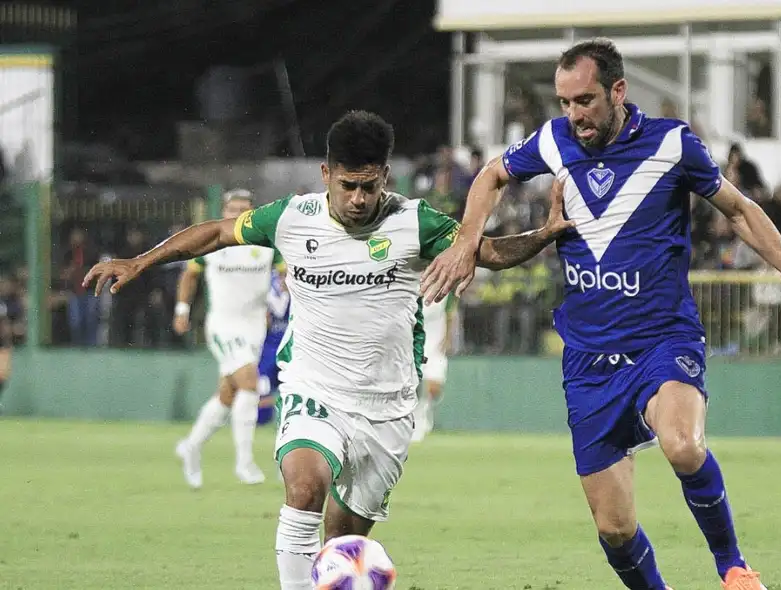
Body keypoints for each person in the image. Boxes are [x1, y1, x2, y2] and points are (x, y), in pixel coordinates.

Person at [421, 38, 781, 590]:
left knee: (683, 444)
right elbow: (490, 176)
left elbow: (741, 212)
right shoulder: (553, 141)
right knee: (615, 528)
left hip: (661, 340)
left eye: (585, 100)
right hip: (588, 360)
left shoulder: (672, 145)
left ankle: (735, 569)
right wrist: (466, 240)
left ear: (617, 91)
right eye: (565, 102)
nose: (574, 114)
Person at [82, 110, 574, 590]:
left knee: (341, 545)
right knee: (304, 487)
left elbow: (487, 252)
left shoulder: (415, 223)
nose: (358, 198)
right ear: (326, 174)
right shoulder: (292, 217)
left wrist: (544, 235)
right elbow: (215, 232)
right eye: (347, 185)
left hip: (387, 405)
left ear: (383, 176)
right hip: (313, 386)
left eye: (368, 185)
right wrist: (142, 261)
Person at [171, 188, 284, 489]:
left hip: (254, 327)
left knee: (228, 393)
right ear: (224, 212)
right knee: (249, 382)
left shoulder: (267, 242)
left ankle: (192, 446)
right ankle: (244, 462)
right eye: (232, 209)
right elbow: (189, 275)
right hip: (223, 325)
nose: (237, 214)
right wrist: (182, 309)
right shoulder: (211, 241)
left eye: (243, 210)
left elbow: (287, 275)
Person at [412, 292, 458, 442]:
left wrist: (448, 338)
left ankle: (424, 412)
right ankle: (416, 421)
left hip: (436, 345)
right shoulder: (412, 286)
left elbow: (451, 313)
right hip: (416, 342)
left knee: (434, 388)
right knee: (415, 384)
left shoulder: (447, 288)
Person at [257, 268, 290, 427]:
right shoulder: (267, 289)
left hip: (291, 347)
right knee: (263, 385)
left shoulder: (300, 290)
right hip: (268, 348)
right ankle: (261, 420)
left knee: (293, 385)